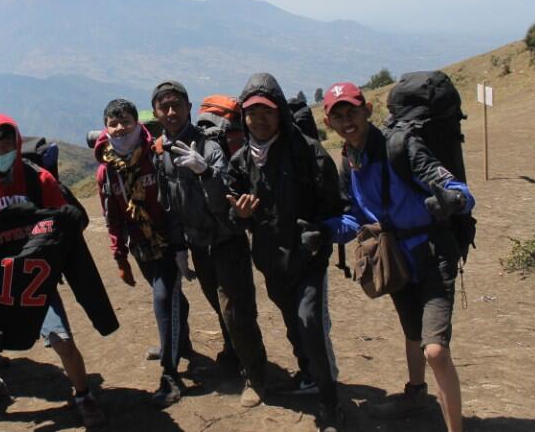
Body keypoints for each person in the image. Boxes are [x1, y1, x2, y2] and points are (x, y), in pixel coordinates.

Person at [322, 82, 475, 432]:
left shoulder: (400, 146)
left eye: (353, 112)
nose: (348, 121)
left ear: (368, 110)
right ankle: (416, 393)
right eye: (339, 116)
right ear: (328, 123)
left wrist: (453, 200)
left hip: (432, 252)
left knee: (435, 350)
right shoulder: (350, 161)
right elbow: (355, 217)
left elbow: (456, 188)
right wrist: (324, 230)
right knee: (411, 333)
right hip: (396, 257)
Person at [0, 114, 108, 427]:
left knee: (60, 338)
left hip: (36, 280)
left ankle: (84, 394)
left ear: (18, 145)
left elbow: (66, 226)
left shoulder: (40, 180)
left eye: (8, 143)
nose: (3, 150)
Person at [228, 73, 346, 432]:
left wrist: (316, 233)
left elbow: (336, 206)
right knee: (293, 323)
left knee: (310, 321)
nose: (259, 120)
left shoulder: (307, 152)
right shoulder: (240, 162)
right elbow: (235, 215)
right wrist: (241, 214)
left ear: (279, 112)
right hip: (270, 260)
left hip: (308, 258)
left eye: (266, 111)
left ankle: (329, 399)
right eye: (252, 113)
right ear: (243, 118)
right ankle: (308, 373)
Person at [150, 80, 269, 408]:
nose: (171, 112)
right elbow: (169, 206)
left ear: (189, 108)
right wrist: (179, 247)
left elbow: (225, 200)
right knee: (220, 306)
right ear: (157, 113)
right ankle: (234, 354)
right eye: (164, 106)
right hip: (198, 245)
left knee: (236, 311)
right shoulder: (161, 153)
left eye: (177, 105)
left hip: (227, 240)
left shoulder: (210, 146)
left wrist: (206, 174)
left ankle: (257, 376)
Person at [94, 98, 191, 407]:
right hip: (140, 245)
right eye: (113, 123)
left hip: (169, 241)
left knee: (163, 298)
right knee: (172, 299)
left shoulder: (156, 154)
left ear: (137, 123)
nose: (120, 128)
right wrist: (119, 255)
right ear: (105, 127)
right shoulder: (107, 170)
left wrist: (180, 246)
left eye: (126, 122)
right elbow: (113, 216)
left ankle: (170, 374)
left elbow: (175, 201)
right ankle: (179, 343)